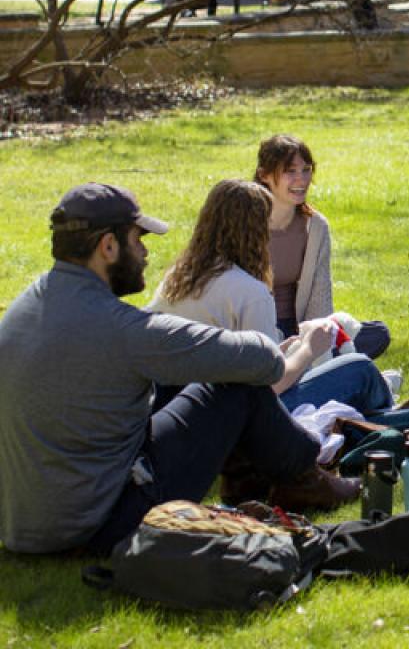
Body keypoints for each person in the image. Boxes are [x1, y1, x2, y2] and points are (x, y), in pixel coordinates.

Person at [0, 183, 361, 555]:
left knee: (190, 384)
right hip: (97, 524)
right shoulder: (122, 328)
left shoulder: (23, 310)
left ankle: (281, 479)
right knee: (236, 385)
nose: (144, 253)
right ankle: (305, 477)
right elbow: (262, 361)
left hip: (23, 526)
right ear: (108, 246)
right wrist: (297, 347)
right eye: (138, 239)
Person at [149, 179, 394, 418]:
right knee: (359, 368)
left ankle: (383, 418)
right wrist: (308, 350)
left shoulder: (178, 278)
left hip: (179, 409)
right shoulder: (250, 292)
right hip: (238, 420)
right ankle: (393, 418)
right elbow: (270, 387)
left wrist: (281, 350)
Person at [254, 134, 390, 358]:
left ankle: (309, 364)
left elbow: (320, 295)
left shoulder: (316, 226)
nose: (302, 180)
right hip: (256, 328)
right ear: (264, 175)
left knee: (376, 333)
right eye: (290, 171)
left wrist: (313, 340)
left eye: (306, 170)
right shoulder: (246, 223)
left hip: (298, 327)